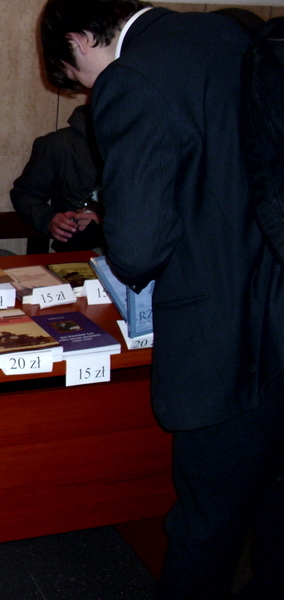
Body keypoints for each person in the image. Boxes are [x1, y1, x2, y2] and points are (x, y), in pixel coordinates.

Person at [40, 1, 283, 599]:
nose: (87, 90)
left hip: (223, 339)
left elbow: (139, 248)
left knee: (207, 523)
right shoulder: (236, 28)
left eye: (77, 78)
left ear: (78, 40)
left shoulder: (133, 78)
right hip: (276, 305)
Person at [9, 104, 106, 252]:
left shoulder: (139, 146)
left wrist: (105, 221)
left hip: (131, 249)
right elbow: (24, 194)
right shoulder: (59, 144)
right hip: (79, 250)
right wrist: (48, 219)